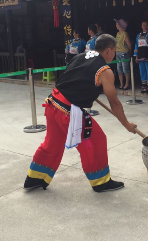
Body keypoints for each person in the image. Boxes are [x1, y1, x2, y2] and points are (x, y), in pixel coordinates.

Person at [24, 34, 137, 192]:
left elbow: (69, 78)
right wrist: (127, 124)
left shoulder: (81, 56)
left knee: (52, 144)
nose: (114, 54)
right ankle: (101, 182)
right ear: (109, 50)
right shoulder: (105, 71)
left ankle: (34, 178)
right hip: (68, 112)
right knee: (96, 140)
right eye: (114, 50)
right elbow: (114, 102)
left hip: (53, 104)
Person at [134, 20, 148, 94]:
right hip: (140, 56)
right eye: (143, 25)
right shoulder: (138, 35)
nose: (145, 27)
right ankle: (144, 87)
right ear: (141, 26)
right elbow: (136, 46)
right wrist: (136, 56)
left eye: (146, 25)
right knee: (142, 72)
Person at [114, 19, 132, 90]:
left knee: (125, 69)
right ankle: (121, 84)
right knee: (119, 69)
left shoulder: (125, 34)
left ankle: (127, 84)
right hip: (117, 52)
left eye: (117, 24)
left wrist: (130, 53)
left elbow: (129, 45)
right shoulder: (117, 34)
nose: (116, 25)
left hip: (124, 53)